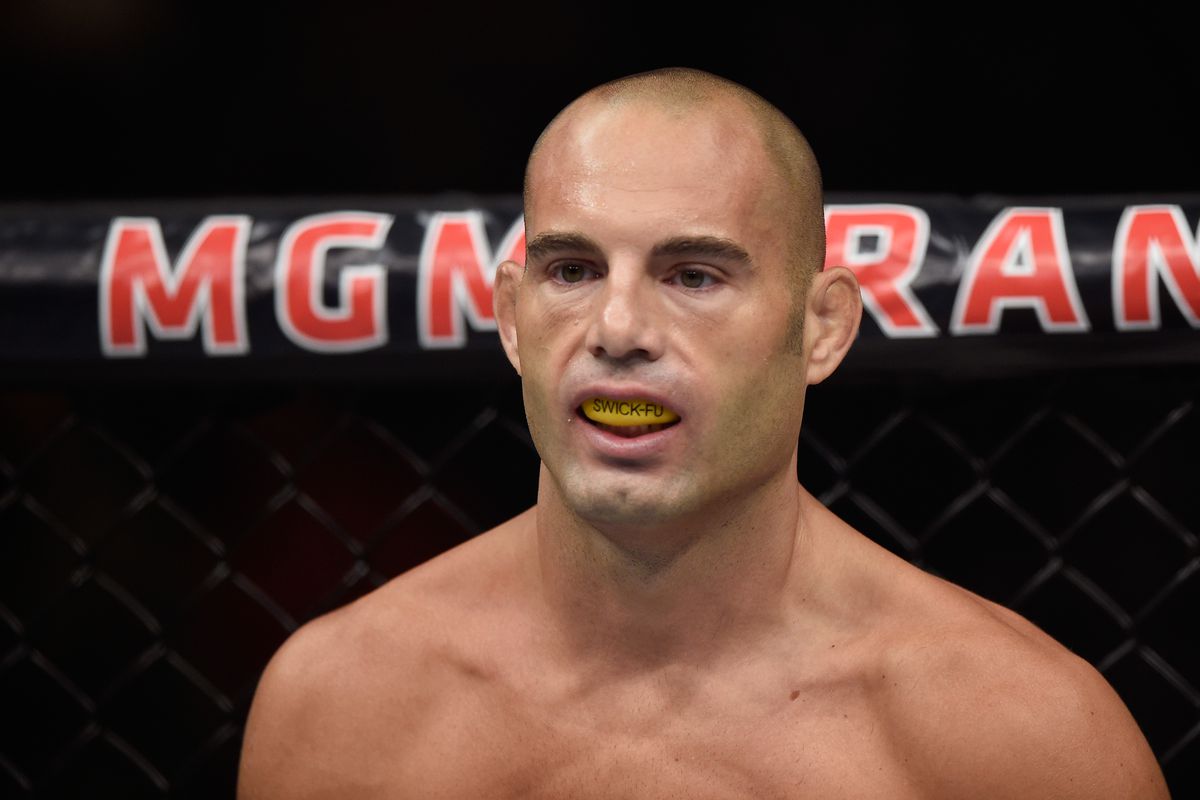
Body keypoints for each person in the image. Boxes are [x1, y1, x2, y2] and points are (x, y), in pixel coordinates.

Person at [237, 67, 1169, 798]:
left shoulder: (1017, 736)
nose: (618, 329)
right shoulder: (343, 706)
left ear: (823, 329)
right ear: (513, 319)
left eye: (693, 276)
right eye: (572, 270)